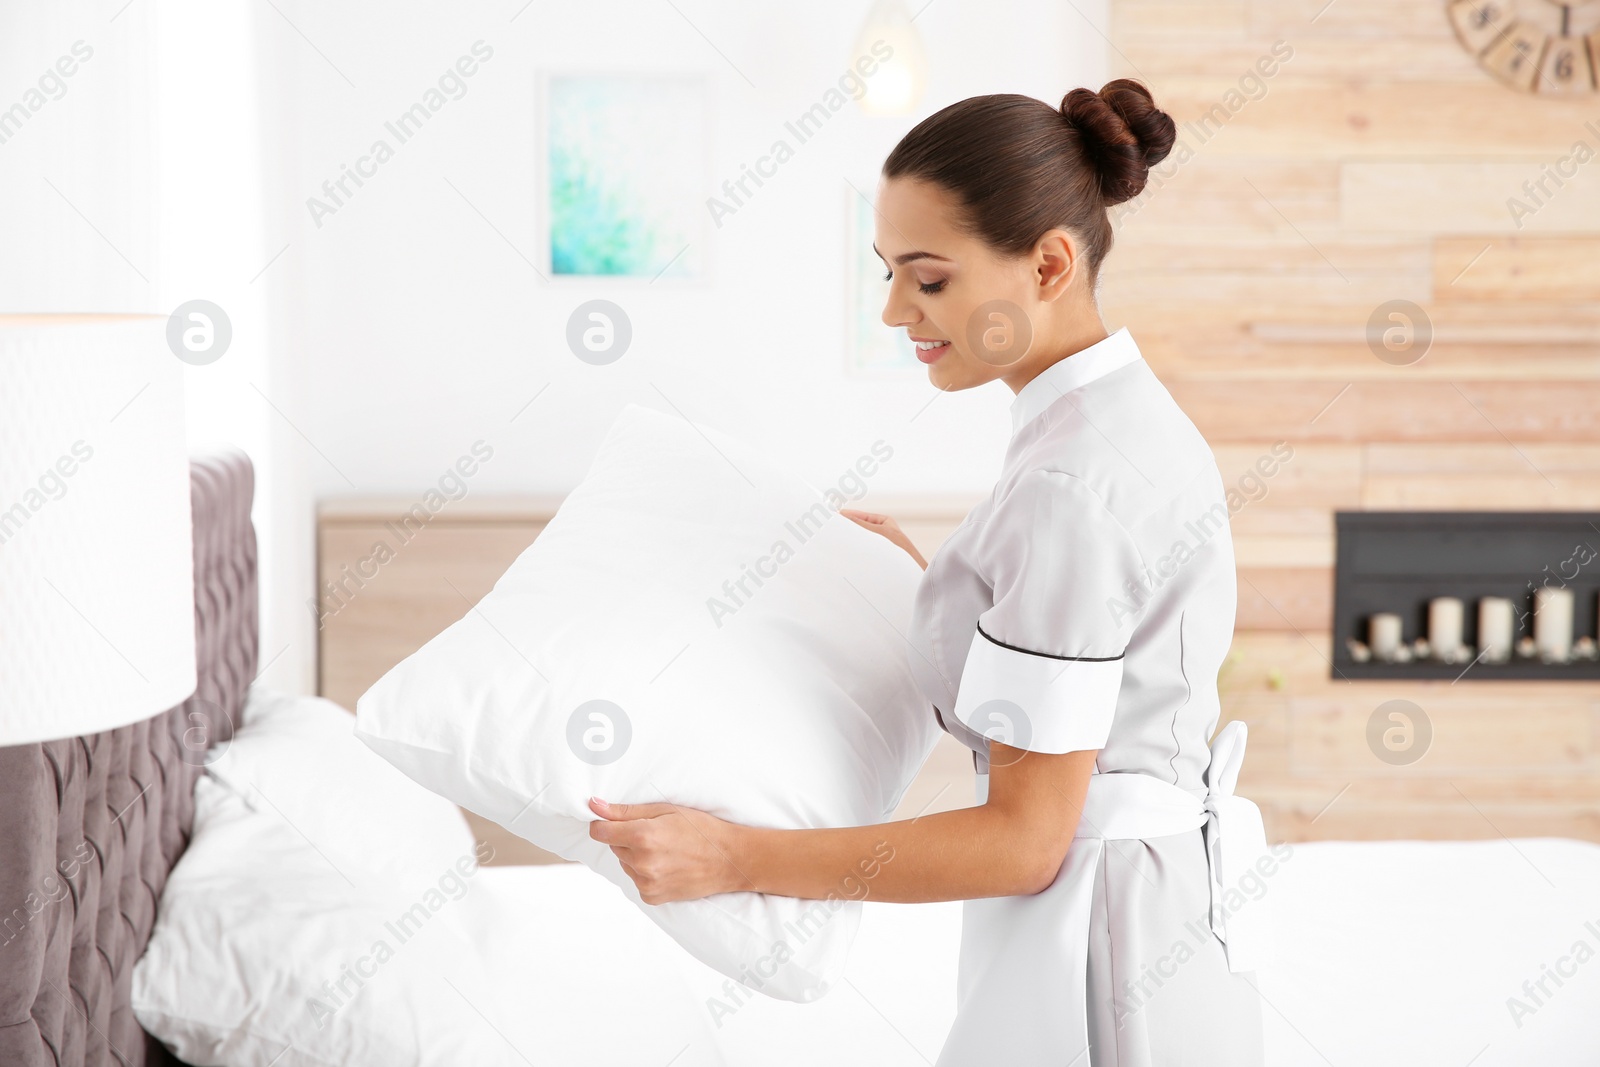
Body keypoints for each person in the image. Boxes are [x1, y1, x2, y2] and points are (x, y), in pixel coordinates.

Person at [588, 79, 1269, 1066]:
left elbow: (1022, 840)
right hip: (1138, 912)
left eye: (929, 277)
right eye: (887, 273)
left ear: (1046, 263)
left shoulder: (1072, 483)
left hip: (1109, 945)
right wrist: (938, 585)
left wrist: (736, 857)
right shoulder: (1102, 424)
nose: (896, 309)